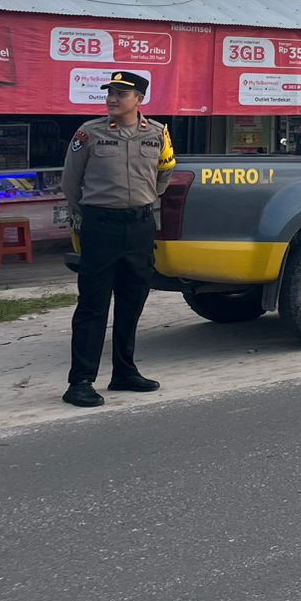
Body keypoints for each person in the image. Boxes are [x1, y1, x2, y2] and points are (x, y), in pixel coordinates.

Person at [61, 71, 176, 408]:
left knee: (132, 300)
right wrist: (89, 215)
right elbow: (70, 182)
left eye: (120, 94)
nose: (112, 99)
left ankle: (124, 372)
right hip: (101, 226)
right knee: (93, 305)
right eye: (109, 92)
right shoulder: (89, 133)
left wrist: (144, 200)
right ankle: (81, 381)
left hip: (139, 226)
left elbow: (165, 172)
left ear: (139, 99)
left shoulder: (157, 133)